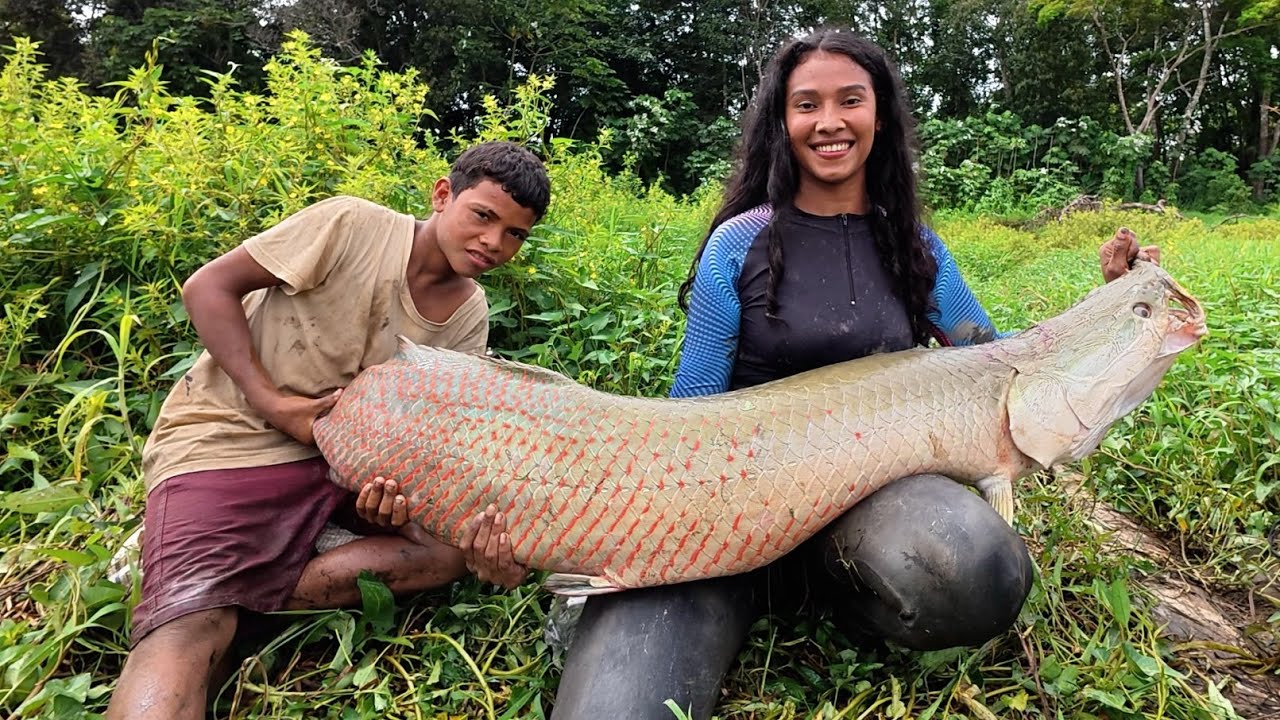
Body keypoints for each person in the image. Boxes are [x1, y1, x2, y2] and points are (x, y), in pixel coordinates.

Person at [549, 29, 1158, 719]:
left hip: (866, 513)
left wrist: (1113, 302)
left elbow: (996, 354)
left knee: (980, 570)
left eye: (851, 101)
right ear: (783, 121)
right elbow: (690, 407)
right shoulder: (740, 242)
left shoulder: (916, 248)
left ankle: (840, 594)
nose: (830, 122)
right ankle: (748, 589)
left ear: (880, 115)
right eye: (807, 104)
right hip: (725, 519)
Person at [106, 141, 547, 720]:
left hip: (345, 467)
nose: (494, 243)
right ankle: (194, 594)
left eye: (515, 234)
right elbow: (207, 288)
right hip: (232, 438)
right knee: (186, 628)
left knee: (445, 554)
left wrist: (395, 493)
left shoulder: (469, 314)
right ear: (443, 195)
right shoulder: (352, 225)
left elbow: (432, 433)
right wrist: (274, 402)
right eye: (483, 216)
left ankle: (240, 596)